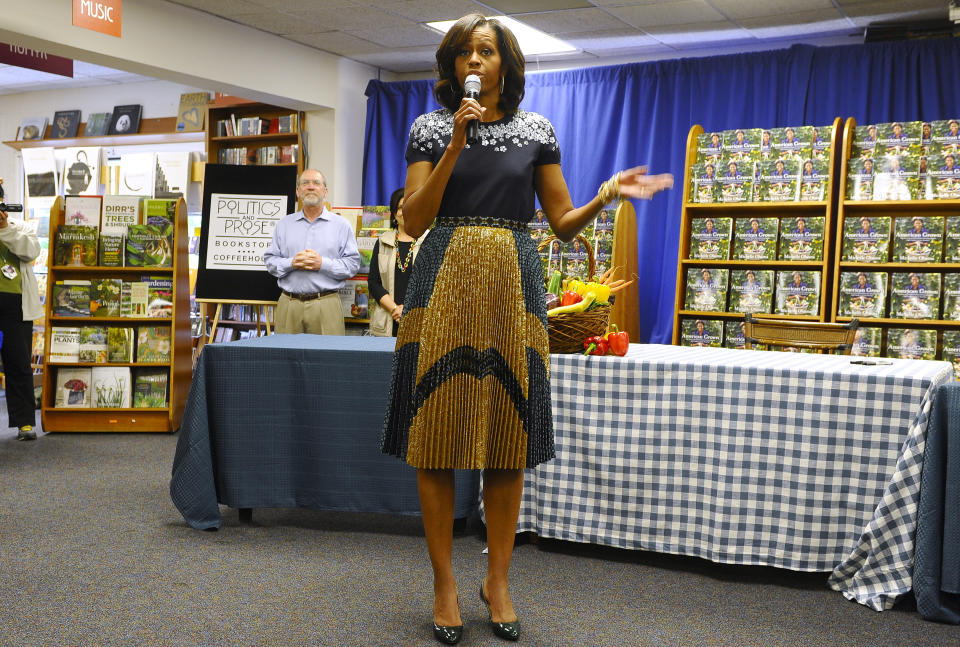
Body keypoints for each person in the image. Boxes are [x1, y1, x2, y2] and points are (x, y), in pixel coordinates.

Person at [379, 14, 673, 645]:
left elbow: (562, 221)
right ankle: (445, 584)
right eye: (465, 54)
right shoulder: (430, 127)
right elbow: (414, 219)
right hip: (443, 277)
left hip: (513, 284)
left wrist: (608, 193)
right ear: (452, 66)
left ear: (506, 65)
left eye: (486, 52)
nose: (475, 62)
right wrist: (456, 142)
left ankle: (500, 580)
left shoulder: (536, 130)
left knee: (509, 435)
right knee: (435, 433)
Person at [264, 169, 360, 335]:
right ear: (298, 191)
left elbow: (352, 265)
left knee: (327, 359)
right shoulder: (284, 225)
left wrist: (322, 264)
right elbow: (270, 261)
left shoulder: (341, 225)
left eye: (316, 183)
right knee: (285, 357)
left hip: (326, 304)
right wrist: (291, 263)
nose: (310, 187)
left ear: (325, 191)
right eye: (305, 183)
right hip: (289, 304)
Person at [0, 178, 42, 441]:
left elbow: (31, 251)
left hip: (15, 305)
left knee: (18, 363)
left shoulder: (20, 227)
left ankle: (25, 423)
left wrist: (4, 228)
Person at [368, 188, 429, 337]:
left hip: (419, 319)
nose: (405, 211)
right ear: (395, 213)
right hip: (388, 320)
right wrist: (395, 309)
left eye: (409, 206)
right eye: (401, 207)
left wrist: (408, 310)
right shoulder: (383, 242)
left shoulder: (429, 241)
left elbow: (432, 284)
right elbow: (373, 283)